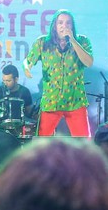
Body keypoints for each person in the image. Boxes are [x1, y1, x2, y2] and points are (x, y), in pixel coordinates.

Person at [24, 9, 93, 137]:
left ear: (72, 26)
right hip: (51, 101)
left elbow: (89, 62)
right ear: (54, 26)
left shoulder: (82, 41)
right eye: (60, 23)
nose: (64, 26)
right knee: (42, 142)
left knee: (84, 143)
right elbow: (27, 61)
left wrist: (73, 40)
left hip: (75, 100)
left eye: (68, 23)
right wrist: (27, 68)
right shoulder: (42, 42)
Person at [0, 63, 33, 129]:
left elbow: (29, 112)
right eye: (3, 80)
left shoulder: (25, 92)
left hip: (19, 127)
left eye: (8, 81)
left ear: (16, 79)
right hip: (0, 128)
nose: (5, 83)